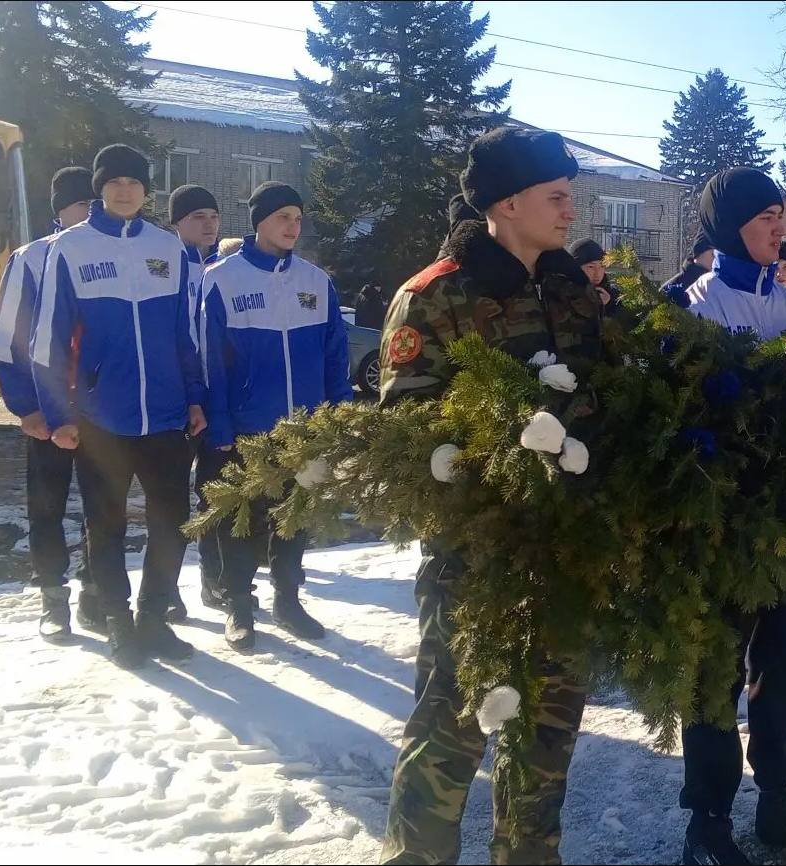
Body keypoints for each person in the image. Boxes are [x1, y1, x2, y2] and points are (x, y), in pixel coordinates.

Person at [378, 127, 602, 866]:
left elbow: (604, 398)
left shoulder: (572, 293)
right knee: (452, 727)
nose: (571, 210)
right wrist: (503, 456)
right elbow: (412, 437)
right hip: (478, 556)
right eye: (556, 196)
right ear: (507, 203)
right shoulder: (436, 295)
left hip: (566, 548)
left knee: (549, 728)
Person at [679, 167, 786, 865]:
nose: (778, 228)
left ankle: (782, 801)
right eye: (763, 219)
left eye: (781, 215)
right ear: (729, 228)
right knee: (714, 669)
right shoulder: (692, 307)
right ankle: (708, 823)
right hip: (721, 525)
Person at [31, 143, 207, 670]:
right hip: (101, 419)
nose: (125, 190)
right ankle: (118, 623)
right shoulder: (71, 248)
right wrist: (59, 414)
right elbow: (47, 340)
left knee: (172, 522)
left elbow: (185, 333)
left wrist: (195, 397)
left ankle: (153, 618)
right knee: (105, 526)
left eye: (133, 182)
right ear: (100, 189)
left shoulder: (168, 248)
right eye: (114, 182)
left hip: (166, 416)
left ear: (146, 190)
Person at [200, 182, 351, 651]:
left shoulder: (316, 282)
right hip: (246, 427)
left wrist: (336, 415)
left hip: (303, 428)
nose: (293, 226)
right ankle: (238, 605)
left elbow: (335, 355)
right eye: (283, 216)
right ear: (259, 221)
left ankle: (287, 599)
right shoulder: (222, 278)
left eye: (298, 218)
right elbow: (209, 360)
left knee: (294, 516)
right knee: (240, 519)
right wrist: (220, 421)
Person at [0, 165, 100, 642]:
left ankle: (96, 592)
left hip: (102, 411)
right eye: (82, 204)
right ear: (60, 210)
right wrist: (27, 407)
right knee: (48, 505)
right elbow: (7, 340)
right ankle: (53, 599)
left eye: (95, 204)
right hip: (48, 407)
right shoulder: (32, 258)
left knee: (104, 506)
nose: (91, 213)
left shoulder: (112, 256)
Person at [167, 182, 223, 619]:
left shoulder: (224, 268)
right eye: (197, 217)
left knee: (216, 492)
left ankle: (215, 580)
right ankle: (165, 589)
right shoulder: (166, 267)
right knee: (169, 499)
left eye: (213, 216)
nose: (208, 224)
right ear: (177, 223)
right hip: (179, 396)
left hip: (217, 395)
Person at [663, 231, 714, 308]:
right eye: (713, 254)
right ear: (699, 253)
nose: (717, 257)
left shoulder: (689, 278)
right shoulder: (680, 287)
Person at [568, 237, 618, 311]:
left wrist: (608, 304)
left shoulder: (615, 296)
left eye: (602, 266)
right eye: (591, 267)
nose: (597, 273)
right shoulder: (559, 295)